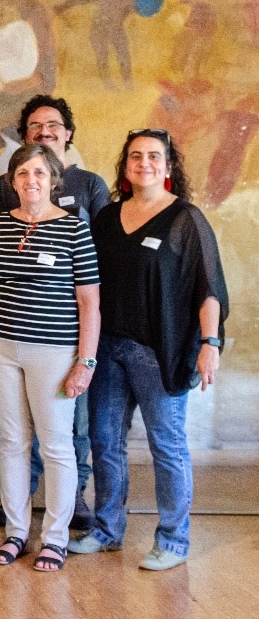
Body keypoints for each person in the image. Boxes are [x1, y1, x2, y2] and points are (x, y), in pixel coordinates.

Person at [70, 129, 227, 571]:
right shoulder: (106, 218)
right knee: (105, 443)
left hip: (161, 353)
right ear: (125, 166)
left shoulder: (185, 219)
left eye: (154, 156)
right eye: (135, 156)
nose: (144, 163)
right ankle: (106, 530)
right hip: (108, 352)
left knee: (167, 445)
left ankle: (174, 540)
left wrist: (210, 344)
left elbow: (209, 288)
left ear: (169, 166)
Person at [0, 94, 108, 529]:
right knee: (14, 441)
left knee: (64, 438)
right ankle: (18, 528)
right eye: (35, 125)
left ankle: (63, 522)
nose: (30, 180)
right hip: (2, 341)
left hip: (59, 342)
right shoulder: (1, 205)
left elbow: (91, 288)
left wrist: (85, 355)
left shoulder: (86, 194)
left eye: (53, 124)